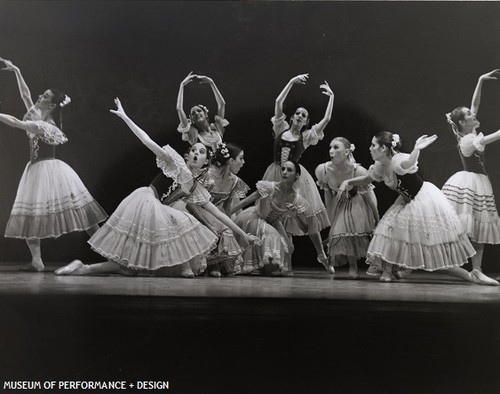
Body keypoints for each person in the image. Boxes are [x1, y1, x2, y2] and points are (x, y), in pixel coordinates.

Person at [56, 99, 255, 277]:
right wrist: (125, 117)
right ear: (187, 156)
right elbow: (147, 141)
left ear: (205, 162)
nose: (196, 153)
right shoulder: (175, 164)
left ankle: (83, 268)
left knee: (131, 267)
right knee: (183, 218)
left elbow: (219, 214)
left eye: (201, 152)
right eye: (193, 150)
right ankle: (184, 267)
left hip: (159, 213)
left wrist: (244, 235)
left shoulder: (195, 187)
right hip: (146, 201)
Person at [338, 131, 498, 285]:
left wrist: (416, 149)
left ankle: (471, 275)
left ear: (384, 148)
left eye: (373, 145)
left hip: (423, 201)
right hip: (406, 201)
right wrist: (347, 182)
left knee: (429, 254)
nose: (370, 148)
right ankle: (388, 271)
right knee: (388, 230)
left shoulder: (397, 161)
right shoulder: (380, 165)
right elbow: (366, 179)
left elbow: (408, 163)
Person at [0, 57, 107, 272]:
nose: (40, 96)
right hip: (35, 168)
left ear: (52, 105)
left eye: (45, 96)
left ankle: (106, 248)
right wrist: (17, 71)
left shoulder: (44, 125)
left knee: (80, 211)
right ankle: (37, 260)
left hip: (49, 170)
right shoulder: (37, 114)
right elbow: (25, 94)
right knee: (31, 213)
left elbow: (16, 123)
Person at [263, 73, 334, 272]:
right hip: (276, 173)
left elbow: (327, 119)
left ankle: (321, 254)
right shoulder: (280, 128)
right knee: (281, 219)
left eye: (304, 115)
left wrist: (331, 97)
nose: (300, 116)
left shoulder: (306, 136)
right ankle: (286, 261)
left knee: (308, 217)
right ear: (293, 117)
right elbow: (278, 102)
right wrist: (292, 82)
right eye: (298, 113)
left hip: (296, 177)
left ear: (305, 122)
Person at [442, 69, 500, 277]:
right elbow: (493, 137)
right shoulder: (468, 140)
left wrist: (480, 80)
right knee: (467, 225)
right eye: (468, 115)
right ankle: (451, 262)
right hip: (470, 183)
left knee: (479, 226)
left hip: (480, 182)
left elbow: (475, 105)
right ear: (462, 123)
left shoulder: (470, 131)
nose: (473, 114)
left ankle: (477, 269)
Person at [232, 161, 310, 276]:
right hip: (254, 217)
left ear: (297, 175)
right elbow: (245, 201)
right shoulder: (269, 187)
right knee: (272, 234)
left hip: (273, 223)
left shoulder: (296, 198)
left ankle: (262, 266)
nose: (284, 172)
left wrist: (295, 215)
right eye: (283, 169)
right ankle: (253, 263)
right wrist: (226, 215)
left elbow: (305, 228)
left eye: (289, 170)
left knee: (289, 247)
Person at [315, 137, 378, 278]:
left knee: (355, 232)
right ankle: (353, 267)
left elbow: (370, 195)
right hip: (340, 205)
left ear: (347, 152)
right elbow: (328, 195)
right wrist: (330, 219)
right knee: (340, 231)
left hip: (358, 203)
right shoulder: (323, 170)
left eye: (336, 147)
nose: (331, 151)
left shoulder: (358, 171)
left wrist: (376, 216)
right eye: (330, 147)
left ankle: (376, 264)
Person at [176, 72, 228, 151]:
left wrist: (211, 82)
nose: (196, 113)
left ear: (206, 114)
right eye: (193, 113)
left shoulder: (217, 128)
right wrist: (181, 85)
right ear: (192, 119)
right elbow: (179, 109)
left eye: (199, 110)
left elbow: (222, 104)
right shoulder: (193, 134)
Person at [209, 142, 250, 216]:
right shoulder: (208, 176)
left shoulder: (234, 181)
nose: (243, 162)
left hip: (216, 217)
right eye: (241, 158)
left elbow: (226, 209)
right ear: (231, 161)